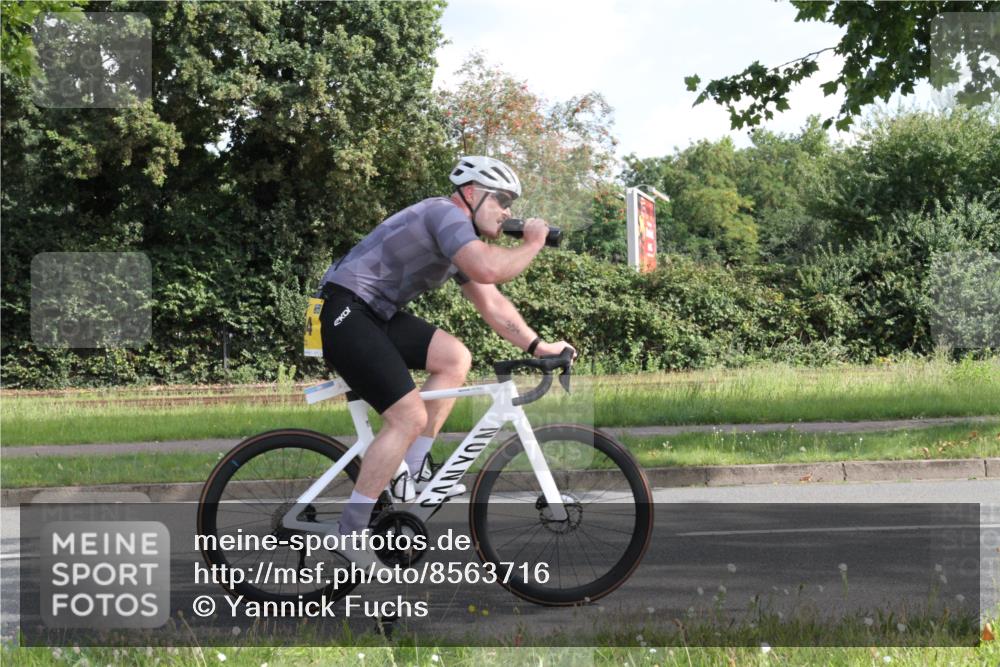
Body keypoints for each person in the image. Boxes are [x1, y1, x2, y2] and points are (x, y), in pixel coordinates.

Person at [316, 155, 574, 566]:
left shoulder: (457, 237)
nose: (507, 211)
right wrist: (532, 241)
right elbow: (488, 268)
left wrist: (536, 346)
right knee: (407, 416)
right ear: (470, 194)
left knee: (454, 356)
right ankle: (350, 531)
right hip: (344, 311)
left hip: (373, 313)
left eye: (511, 203)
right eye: (501, 199)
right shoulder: (444, 214)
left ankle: (412, 476)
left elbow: (492, 303)